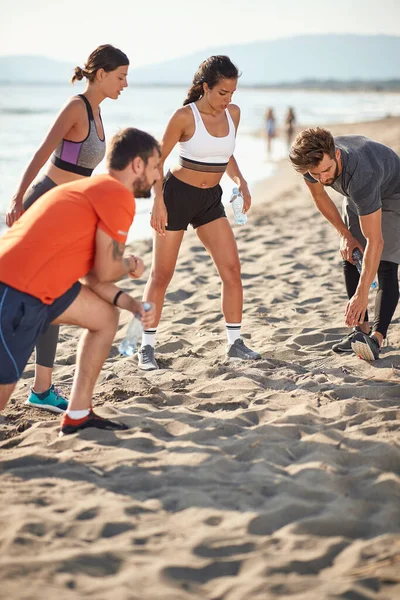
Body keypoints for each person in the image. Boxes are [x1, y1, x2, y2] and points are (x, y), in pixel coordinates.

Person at [0, 128, 161, 435]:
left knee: (104, 316)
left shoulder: (95, 189)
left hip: (45, 285)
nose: (156, 176)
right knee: (2, 397)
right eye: (154, 166)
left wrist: (131, 304)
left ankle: (77, 413)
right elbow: (105, 269)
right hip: (16, 287)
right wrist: (129, 264)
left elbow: (90, 274)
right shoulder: (118, 196)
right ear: (137, 165)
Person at [5, 44, 129, 415]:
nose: (125, 84)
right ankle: (39, 388)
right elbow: (43, 151)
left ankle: (42, 389)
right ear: (101, 73)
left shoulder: (99, 113)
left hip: (68, 215)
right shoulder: (77, 107)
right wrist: (17, 198)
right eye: (121, 76)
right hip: (45, 203)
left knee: (52, 290)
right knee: (37, 291)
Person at [139, 55, 261, 371]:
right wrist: (158, 201)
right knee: (161, 275)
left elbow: (226, 154)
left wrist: (241, 181)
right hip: (176, 196)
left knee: (231, 269)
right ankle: (146, 347)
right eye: (222, 93)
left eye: (232, 93)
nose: (228, 100)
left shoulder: (233, 114)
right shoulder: (184, 117)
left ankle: (235, 343)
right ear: (205, 87)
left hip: (210, 198)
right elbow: (157, 160)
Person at [289, 127, 400, 361]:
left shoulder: (362, 176)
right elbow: (320, 196)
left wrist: (362, 294)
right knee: (352, 252)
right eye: (316, 174)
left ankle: (376, 338)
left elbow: (375, 241)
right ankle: (360, 332)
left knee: (385, 263)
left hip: (393, 191)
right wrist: (345, 234)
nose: (323, 179)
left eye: (326, 171)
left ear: (337, 155)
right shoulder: (313, 162)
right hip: (356, 193)